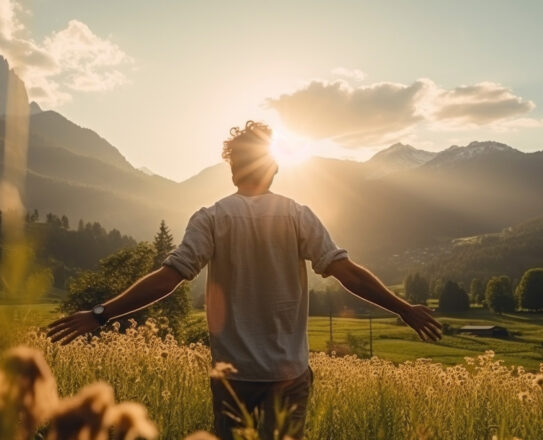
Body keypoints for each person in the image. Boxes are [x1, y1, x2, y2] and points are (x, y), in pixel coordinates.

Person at [47, 120, 442, 439]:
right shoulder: (297, 215)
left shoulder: (212, 218)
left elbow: (168, 279)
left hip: (232, 377)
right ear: (272, 166)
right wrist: (404, 309)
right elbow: (347, 273)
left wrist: (100, 313)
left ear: (233, 168)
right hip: (288, 376)